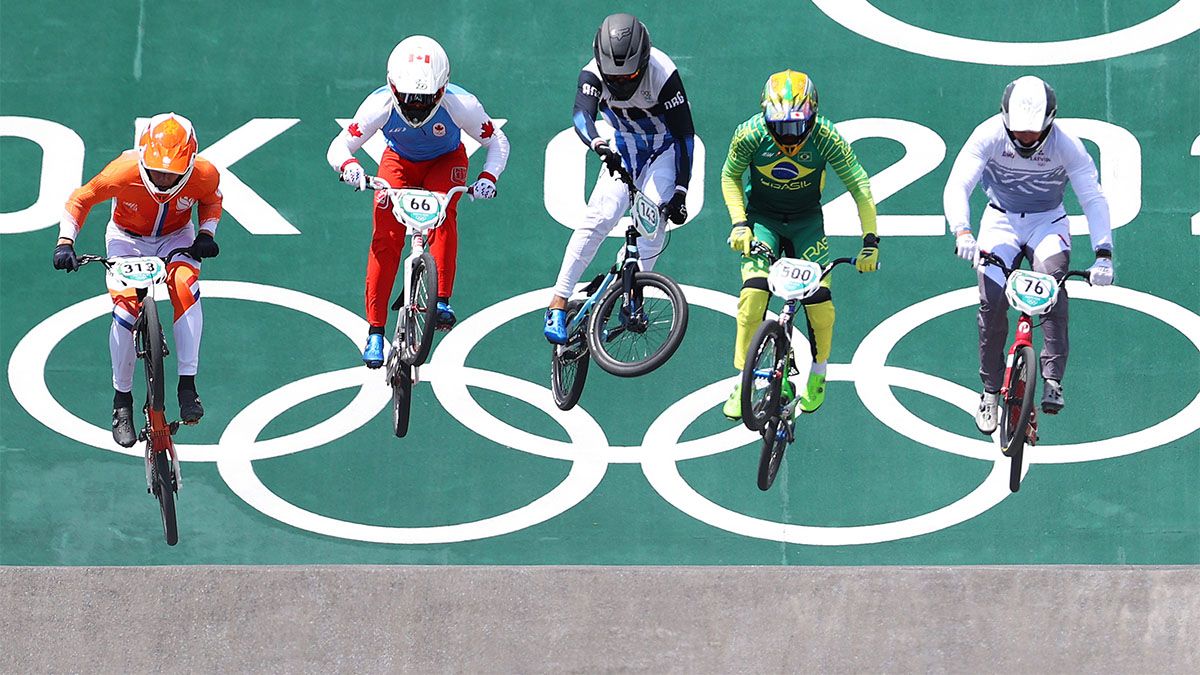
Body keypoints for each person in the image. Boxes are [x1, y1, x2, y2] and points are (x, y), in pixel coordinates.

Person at [944, 75, 1114, 434]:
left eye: (1032, 133)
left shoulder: (1067, 146)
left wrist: (1103, 252)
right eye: (1017, 131)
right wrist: (962, 229)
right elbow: (958, 183)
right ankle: (990, 391)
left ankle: (1052, 379)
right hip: (999, 219)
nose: (1024, 139)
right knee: (991, 304)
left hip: (1047, 222)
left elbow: (1092, 198)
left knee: (1053, 291)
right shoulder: (988, 134)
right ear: (1004, 119)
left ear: (1049, 123)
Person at [328, 35, 510, 368]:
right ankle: (375, 331)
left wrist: (488, 178)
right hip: (398, 162)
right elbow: (338, 148)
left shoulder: (463, 105)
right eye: (408, 98)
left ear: (442, 90)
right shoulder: (378, 105)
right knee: (386, 238)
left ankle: (441, 300)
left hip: (446, 160)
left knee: (444, 215)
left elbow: (496, 141)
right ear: (393, 88)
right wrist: (351, 168)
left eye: (425, 100)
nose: (415, 106)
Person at [53, 113, 222, 447]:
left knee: (186, 286)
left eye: (171, 174)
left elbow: (212, 200)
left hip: (177, 237)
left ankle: (187, 385)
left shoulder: (204, 174)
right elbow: (81, 199)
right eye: (157, 170)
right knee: (125, 311)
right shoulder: (122, 171)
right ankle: (122, 402)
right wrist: (65, 242)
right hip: (126, 240)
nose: (161, 179)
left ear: (188, 165)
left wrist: (206, 232)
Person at [720, 70, 879, 421]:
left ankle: (819, 372)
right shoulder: (750, 134)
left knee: (820, 303)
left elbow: (860, 186)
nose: (787, 136)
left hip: (807, 223)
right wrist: (739, 224)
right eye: (779, 127)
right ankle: (741, 380)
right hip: (762, 220)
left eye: (795, 127)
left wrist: (870, 242)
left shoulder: (825, 136)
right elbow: (730, 175)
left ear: (812, 116)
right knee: (753, 296)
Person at [543, 13, 694, 344]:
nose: (623, 84)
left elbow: (684, 135)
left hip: (663, 152)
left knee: (652, 220)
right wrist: (597, 143)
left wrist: (681, 190)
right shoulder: (592, 73)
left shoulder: (663, 73)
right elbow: (581, 114)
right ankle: (558, 301)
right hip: (622, 149)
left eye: (631, 77)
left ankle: (628, 288)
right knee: (598, 218)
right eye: (615, 78)